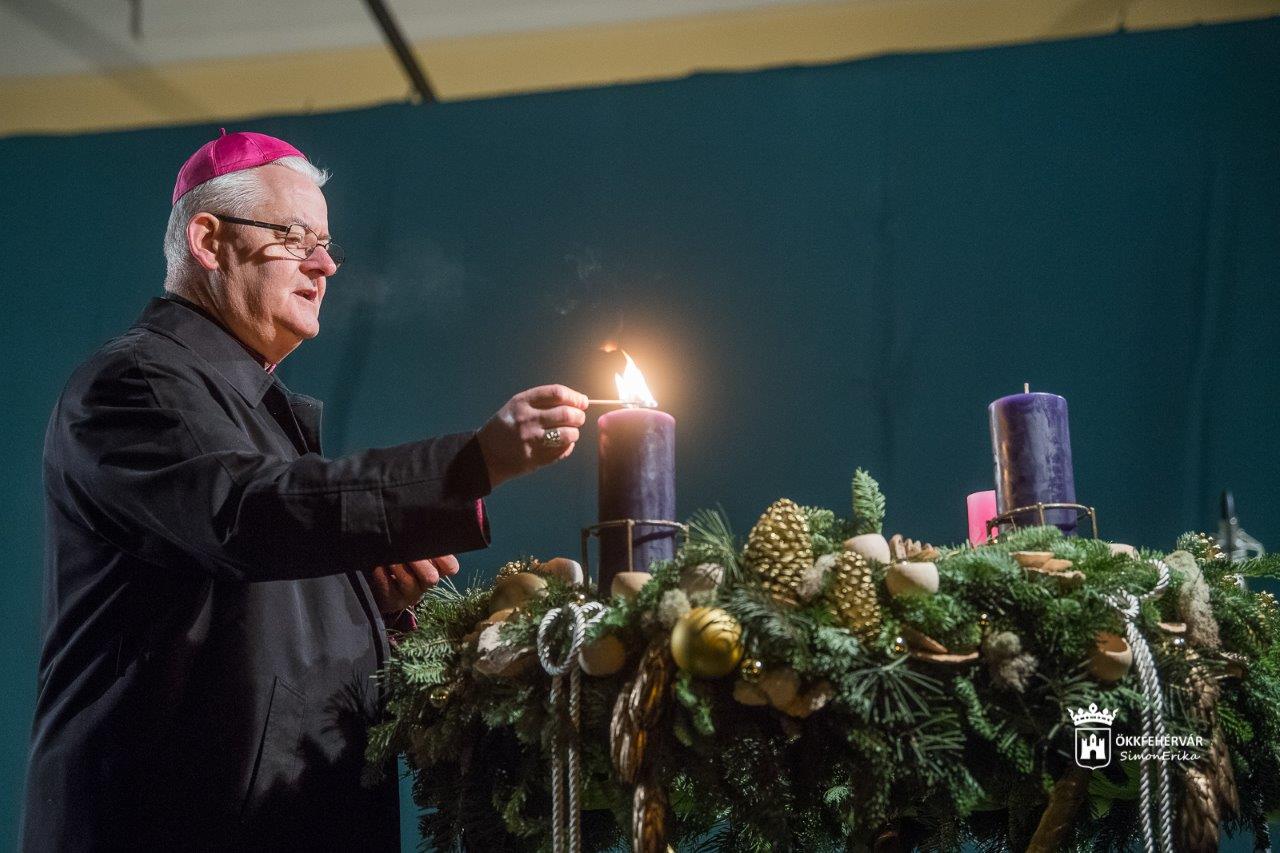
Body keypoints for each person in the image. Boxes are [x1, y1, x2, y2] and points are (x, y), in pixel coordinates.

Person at [21, 130, 588, 851]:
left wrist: (367, 605)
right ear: (207, 239)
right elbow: (244, 513)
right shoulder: (132, 383)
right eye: (294, 238)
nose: (323, 265)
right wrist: (469, 467)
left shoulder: (252, 413)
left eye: (327, 245)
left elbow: (253, 595)